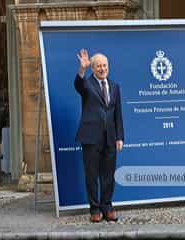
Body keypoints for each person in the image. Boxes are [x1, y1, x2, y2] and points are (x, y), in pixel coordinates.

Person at [74, 49, 124, 222]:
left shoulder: (115, 86)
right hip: (91, 138)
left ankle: (107, 207)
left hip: (110, 138)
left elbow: (118, 114)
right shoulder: (87, 84)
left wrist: (119, 137)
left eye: (104, 65)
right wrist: (82, 69)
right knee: (92, 175)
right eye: (98, 66)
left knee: (108, 175)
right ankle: (95, 209)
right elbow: (78, 85)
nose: (102, 69)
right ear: (93, 68)